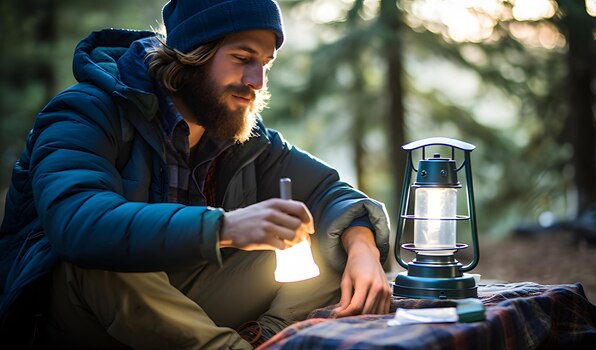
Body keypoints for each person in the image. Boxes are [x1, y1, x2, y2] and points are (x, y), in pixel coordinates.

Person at [0, 0, 391, 349]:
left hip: (181, 301)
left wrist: (362, 246)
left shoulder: (239, 133)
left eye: (265, 64)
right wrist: (225, 227)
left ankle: (265, 338)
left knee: (323, 240)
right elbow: (77, 221)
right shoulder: (85, 111)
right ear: (191, 55)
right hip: (80, 310)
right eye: (242, 58)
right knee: (104, 256)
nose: (257, 81)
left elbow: (328, 191)